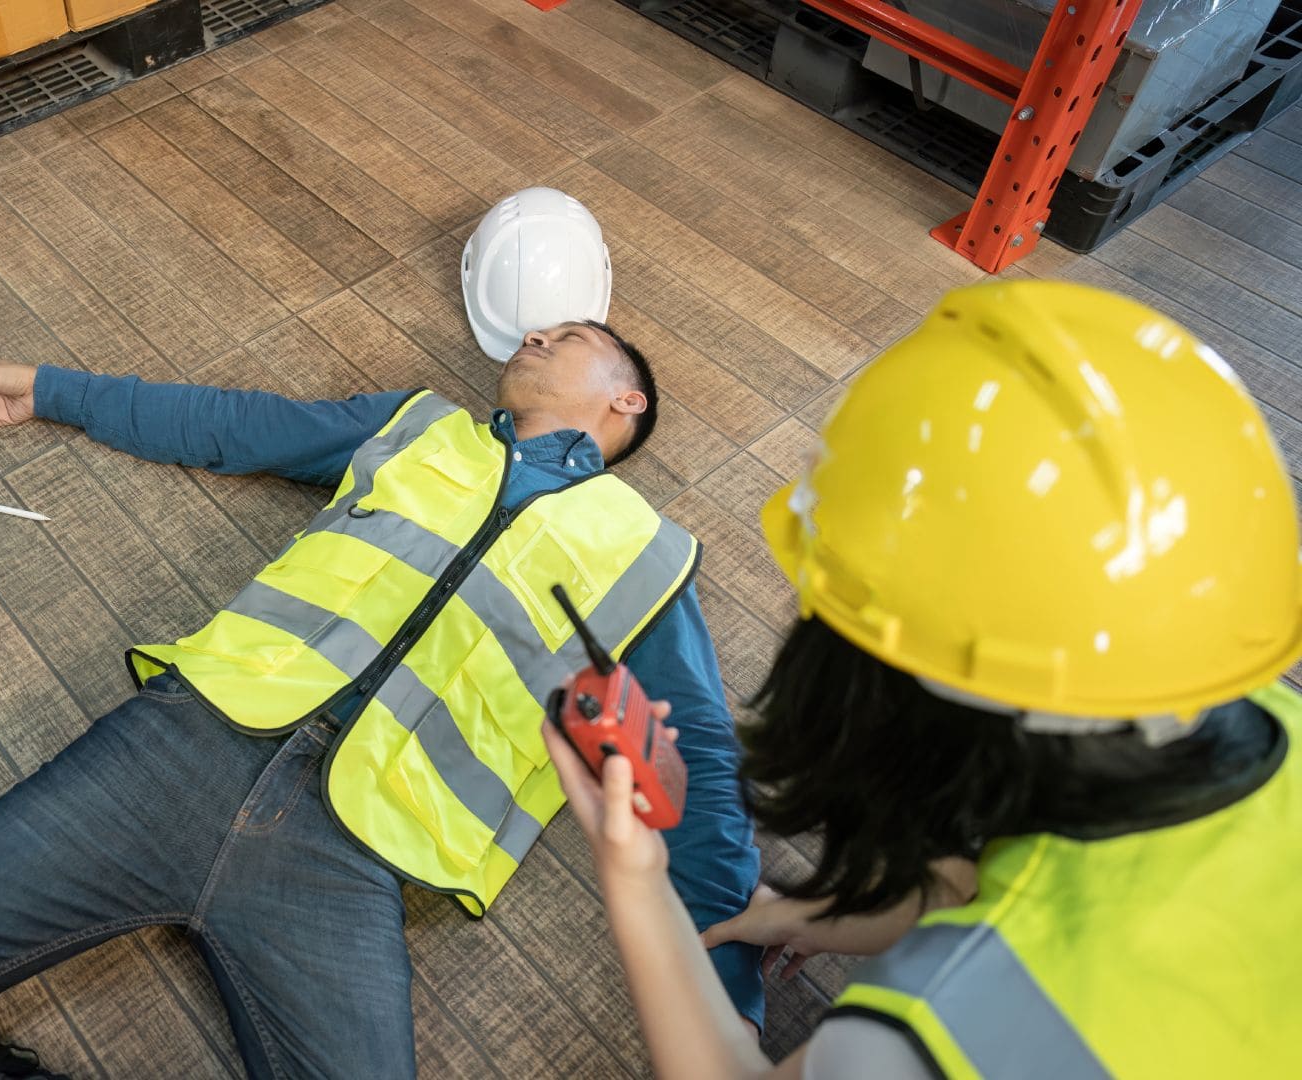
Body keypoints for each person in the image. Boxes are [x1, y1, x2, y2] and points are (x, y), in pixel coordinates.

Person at [0, 319, 764, 1079]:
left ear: (625, 399)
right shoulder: (419, 427)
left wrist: (736, 1022)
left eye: (572, 335)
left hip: (351, 863)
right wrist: (52, 387)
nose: (536, 332)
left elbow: (703, 782)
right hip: (178, 749)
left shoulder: (648, 556)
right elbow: (242, 427)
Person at [547, 280, 1302, 1079]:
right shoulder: (1216, 705)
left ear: (886, 700)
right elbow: (972, 876)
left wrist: (635, 877)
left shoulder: (934, 1035)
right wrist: (794, 918)